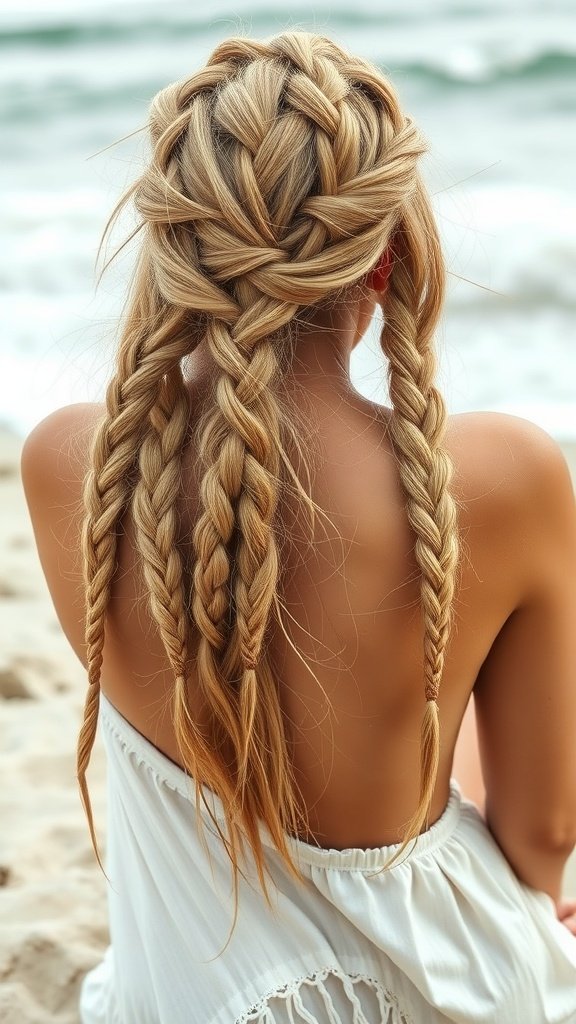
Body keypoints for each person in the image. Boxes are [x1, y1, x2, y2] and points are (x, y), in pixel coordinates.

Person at [21, 30, 576, 1024]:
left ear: (176, 245)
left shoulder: (73, 463)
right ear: (386, 256)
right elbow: (544, 840)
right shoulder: (501, 477)